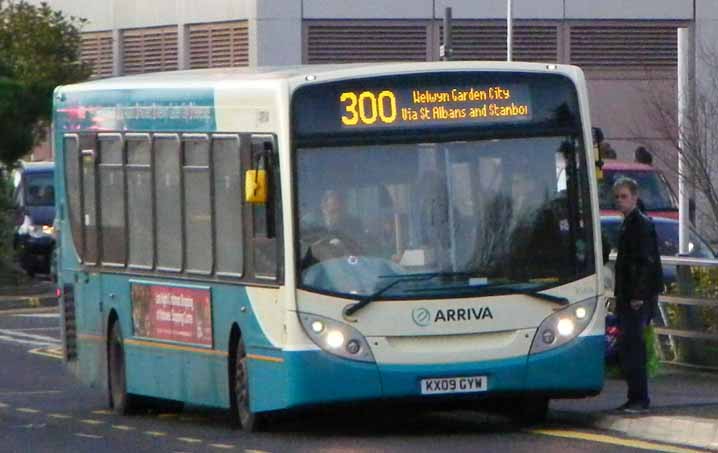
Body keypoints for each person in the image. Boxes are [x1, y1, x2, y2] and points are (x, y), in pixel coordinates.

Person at [612, 177, 663, 413]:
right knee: (629, 346)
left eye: (624, 196)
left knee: (634, 347)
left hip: (635, 297)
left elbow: (644, 263)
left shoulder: (639, 224)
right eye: (617, 197)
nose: (620, 201)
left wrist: (638, 295)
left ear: (634, 197)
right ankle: (635, 396)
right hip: (629, 294)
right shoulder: (631, 223)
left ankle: (639, 398)